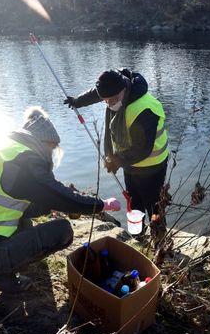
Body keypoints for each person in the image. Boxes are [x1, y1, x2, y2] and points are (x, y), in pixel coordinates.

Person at [0, 106, 120, 293]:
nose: (52, 153)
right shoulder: (26, 162)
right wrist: (102, 205)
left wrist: (48, 207)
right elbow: (61, 195)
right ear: (43, 142)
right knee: (62, 230)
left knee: (24, 219)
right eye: (52, 148)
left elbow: (11, 200)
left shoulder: (3, 151)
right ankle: (1, 277)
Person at [63, 68, 168, 239]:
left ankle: (160, 242)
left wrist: (117, 160)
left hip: (153, 165)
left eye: (113, 100)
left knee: (154, 205)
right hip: (130, 164)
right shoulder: (114, 85)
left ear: (123, 90)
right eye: (106, 101)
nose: (110, 104)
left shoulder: (144, 109)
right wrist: (77, 101)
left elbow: (143, 149)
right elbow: (97, 93)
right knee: (134, 203)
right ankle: (138, 237)